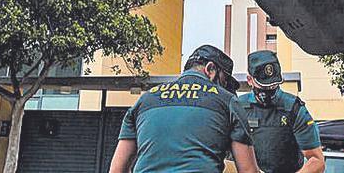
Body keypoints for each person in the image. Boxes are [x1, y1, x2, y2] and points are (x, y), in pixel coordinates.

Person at [108, 45, 259, 173]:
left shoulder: (145, 100)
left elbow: (116, 170)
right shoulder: (228, 101)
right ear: (210, 69)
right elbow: (248, 170)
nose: (224, 87)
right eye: (224, 81)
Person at [238, 50, 325, 173]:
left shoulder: (294, 109)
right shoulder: (238, 107)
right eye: (263, 86)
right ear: (250, 80)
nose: (269, 89)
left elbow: (317, 161)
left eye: (273, 85)